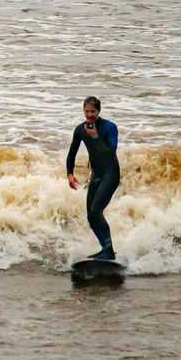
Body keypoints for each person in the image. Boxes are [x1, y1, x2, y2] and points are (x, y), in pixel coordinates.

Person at [66, 96, 120, 261]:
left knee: (97, 211)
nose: (89, 115)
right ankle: (105, 248)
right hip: (96, 174)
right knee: (91, 215)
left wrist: (96, 137)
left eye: (93, 111)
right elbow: (72, 152)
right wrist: (70, 174)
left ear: (99, 111)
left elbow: (110, 151)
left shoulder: (110, 127)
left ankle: (108, 251)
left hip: (111, 173)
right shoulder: (80, 130)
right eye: (87, 111)